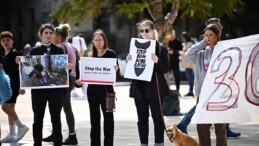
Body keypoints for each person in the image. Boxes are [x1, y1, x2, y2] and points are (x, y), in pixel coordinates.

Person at [177, 18, 241, 138]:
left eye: (210, 35)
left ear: (217, 36)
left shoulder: (224, 51)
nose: (208, 38)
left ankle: (225, 131)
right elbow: (188, 54)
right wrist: (202, 43)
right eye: (206, 35)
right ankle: (183, 123)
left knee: (219, 126)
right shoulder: (201, 54)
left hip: (219, 93)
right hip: (203, 92)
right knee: (202, 125)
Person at [126, 19, 169, 146]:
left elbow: (166, 68)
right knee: (142, 119)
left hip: (154, 88)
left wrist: (157, 61)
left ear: (152, 31)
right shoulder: (134, 47)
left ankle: (159, 143)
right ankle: (143, 143)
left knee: (157, 118)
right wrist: (129, 60)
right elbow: (132, 70)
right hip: (139, 88)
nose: (144, 33)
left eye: (147, 30)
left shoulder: (160, 48)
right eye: (141, 30)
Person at [75, 29, 118, 146]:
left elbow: (115, 75)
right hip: (92, 91)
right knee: (94, 119)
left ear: (104, 41)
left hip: (108, 92)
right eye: (96, 40)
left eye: (100, 39)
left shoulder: (111, 54)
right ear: (93, 42)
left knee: (109, 119)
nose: (98, 42)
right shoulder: (89, 56)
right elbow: (83, 75)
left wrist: (116, 69)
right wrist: (79, 81)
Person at [25, 23, 64, 146]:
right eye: (46, 33)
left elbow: (62, 71)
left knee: (56, 118)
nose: (48, 35)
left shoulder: (59, 50)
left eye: (50, 33)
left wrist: (67, 68)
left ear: (54, 35)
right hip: (38, 91)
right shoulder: (34, 51)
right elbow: (28, 69)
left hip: (55, 91)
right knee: (37, 119)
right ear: (40, 35)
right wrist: (19, 63)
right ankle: (37, 143)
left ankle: (58, 142)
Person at [41, 23, 78, 145]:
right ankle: (56, 133)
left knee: (65, 107)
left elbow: (57, 64)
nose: (51, 37)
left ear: (58, 36)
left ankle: (72, 136)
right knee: (59, 107)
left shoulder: (61, 46)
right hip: (71, 78)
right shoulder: (71, 45)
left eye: (53, 35)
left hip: (64, 79)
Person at [0, 31, 29, 143]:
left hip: (13, 85)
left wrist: (22, 86)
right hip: (7, 84)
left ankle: (21, 127)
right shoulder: (4, 54)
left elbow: (24, 69)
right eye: (4, 40)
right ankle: (12, 134)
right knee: (11, 108)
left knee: (4, 107)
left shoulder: (15, 53)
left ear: (12, 41)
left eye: (8, 40)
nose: (6, 42)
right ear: (1, 42)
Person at [69, 34, 88, 99]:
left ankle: (73, 92)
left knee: (73, 74)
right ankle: (85, 94)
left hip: (71, 60)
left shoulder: (71, 39)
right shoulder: (81, 39)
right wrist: (80, 58)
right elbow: (83, 50)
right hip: (79, 60)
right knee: (82, 76)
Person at [179, 31, 195, 96]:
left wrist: (180, 52)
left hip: (189, 64)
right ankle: (190, 91)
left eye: (183, 38)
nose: (182, 39)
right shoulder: (187, 43)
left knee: (190, 77)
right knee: (190, 77)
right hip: (187, 64)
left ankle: (191, 91)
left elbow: (187, 53)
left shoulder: (189, 43)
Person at [167, 30, 182, 96]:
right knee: (166, 76)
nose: (171, 37)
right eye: (170, 35)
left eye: (172, 35)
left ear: (174, 35)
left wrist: (174, 52)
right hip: (167, 61)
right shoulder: (167, 41)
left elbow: (180, 51)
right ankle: (167, 90)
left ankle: (177, 90)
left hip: (175, 61)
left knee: (177, 77)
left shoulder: (178, 41)